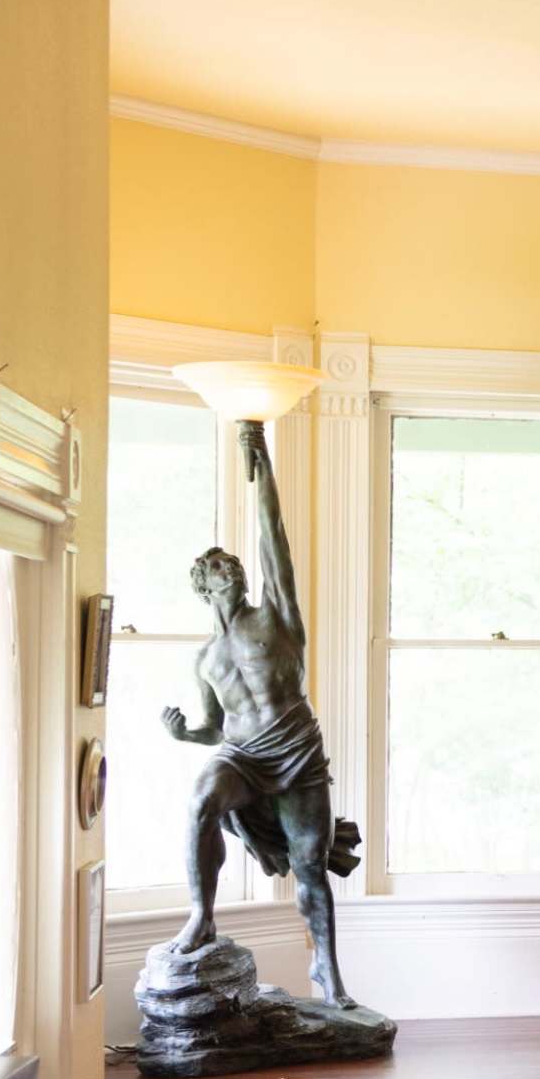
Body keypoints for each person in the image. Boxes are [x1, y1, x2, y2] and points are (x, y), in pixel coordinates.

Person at [164, 417, 364, 1005]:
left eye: (236, 564)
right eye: (221, 568)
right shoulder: (205, 658)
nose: (235, 569)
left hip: (296, 751)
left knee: (309, 868)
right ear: (204, 586)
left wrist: (262, 465)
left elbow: (273, 536)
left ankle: (326, 969)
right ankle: (202, 914)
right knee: (201, 799)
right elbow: (213, 728)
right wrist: (185, 735)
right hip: (242, 754)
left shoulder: (275, 617)